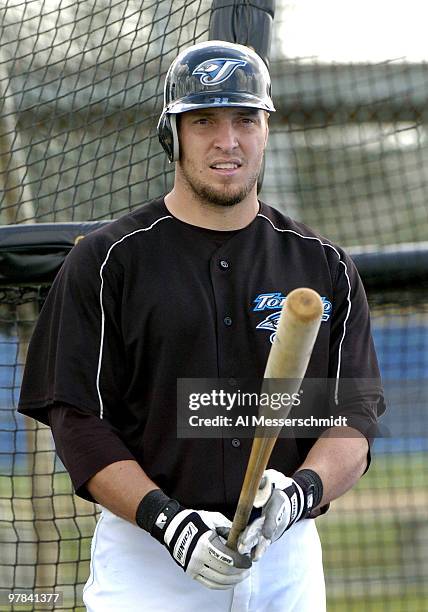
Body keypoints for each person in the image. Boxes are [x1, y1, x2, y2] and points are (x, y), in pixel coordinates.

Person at [18, 41, 384, 611]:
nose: (227, 141)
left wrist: (299, 493)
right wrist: (168, 521)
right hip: (149, 557)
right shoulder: (106, 260)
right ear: (173, 134)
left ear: (266, 130)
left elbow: (353, 421)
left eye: (245, 119)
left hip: (283, 558)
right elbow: (77, 422)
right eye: (205, 120)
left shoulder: (323, 265)